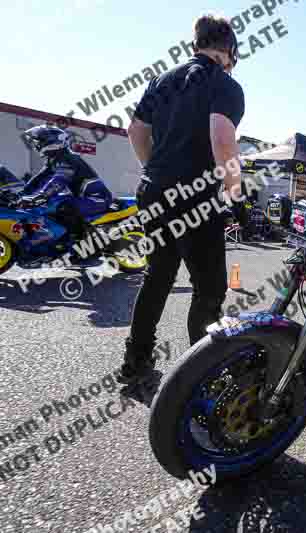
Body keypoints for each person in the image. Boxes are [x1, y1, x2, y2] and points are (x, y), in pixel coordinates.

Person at [117, 14, 246, 385]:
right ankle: (199, 376)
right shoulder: (225, 84)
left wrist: (158, 171)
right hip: (195, 196)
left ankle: (135, 361)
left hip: (154, 190)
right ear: (229, 52)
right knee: (209, 288)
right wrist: (234, 192)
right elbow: (222, 139)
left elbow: (136, 130)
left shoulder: (162, 80)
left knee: (157, 275)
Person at [18, 126, 112, 240]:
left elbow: (59, 181)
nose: (36, 145)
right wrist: (20, 193)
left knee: (64, 208)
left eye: (39, 141)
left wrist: (40, 196)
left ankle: (80, 241)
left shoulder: (69, 159)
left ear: (51, 142)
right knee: (52, 205)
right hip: (83, 198)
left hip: (98, 199)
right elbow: (38, 179)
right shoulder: (54, 160)